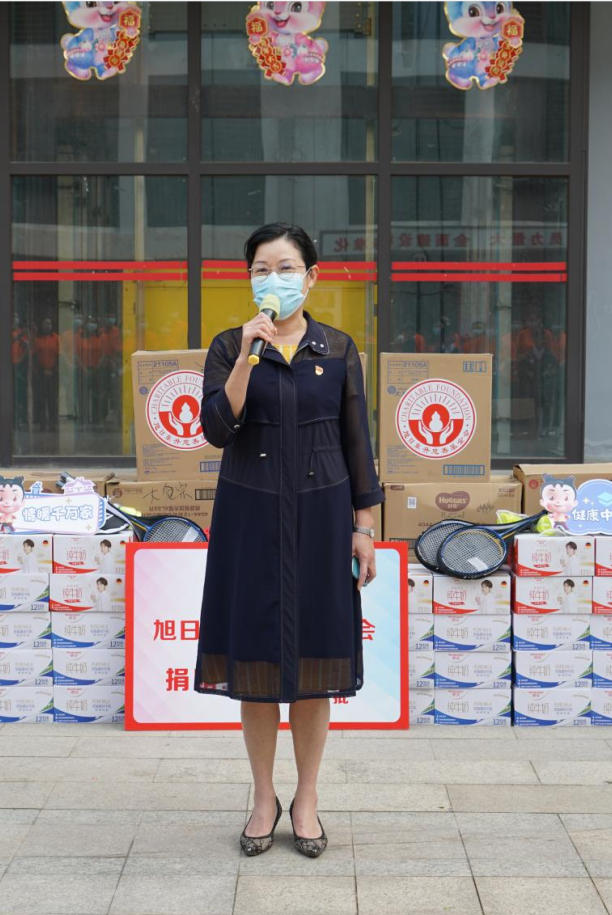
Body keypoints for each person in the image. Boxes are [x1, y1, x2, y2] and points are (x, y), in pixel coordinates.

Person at [195, 222, 382, 860]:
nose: (272, 278)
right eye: (261, 269)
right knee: (253, 668)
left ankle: (306, 797)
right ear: (248, 278)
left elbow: (357, 442)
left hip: (323, 520)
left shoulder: (339, 348)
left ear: (311, 276)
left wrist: (364, 528)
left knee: (315, 670)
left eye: (285, 267)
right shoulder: (230, 345)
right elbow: (217, 428)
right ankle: (262, 798)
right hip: (250, 521)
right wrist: (248, 355)